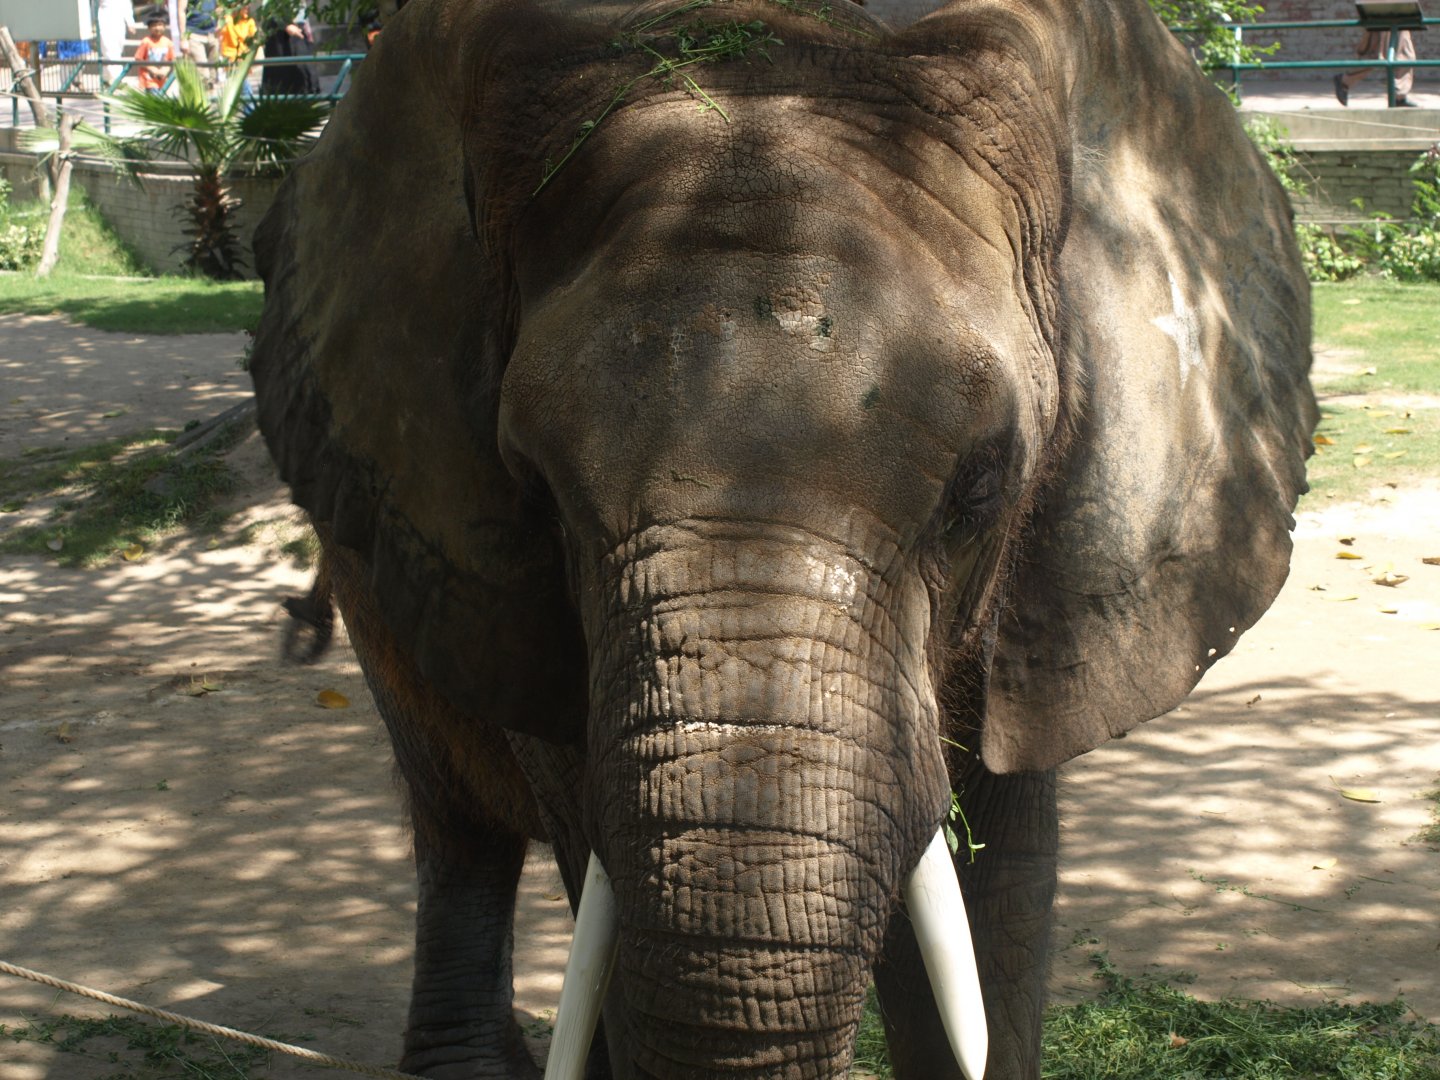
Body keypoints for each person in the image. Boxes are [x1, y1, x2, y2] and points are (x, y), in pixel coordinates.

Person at [1334, 28, 1419, 107]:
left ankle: (1399, 97)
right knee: (1400, 55)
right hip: (1388, 20)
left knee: (1377, 55)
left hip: (1395, 20)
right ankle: (1398, 97)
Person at [259, 4, 319, 96]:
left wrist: (307, 31)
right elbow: (270, 14)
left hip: (297, 32)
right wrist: (285, 26)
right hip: (281, 38)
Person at [95, 0, 139, 88]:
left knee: (118, 50)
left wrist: (130, 22)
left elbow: (126, 4)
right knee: (109, 49)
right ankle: (117, 79)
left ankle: (107, 78)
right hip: (105, 18)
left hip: (119, 20)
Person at [180, 0, 222, 87]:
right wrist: (183, 39)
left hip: (212, 34)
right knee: (203, 75)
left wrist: (219, 23)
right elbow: (181, 11)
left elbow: (220, 6)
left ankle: (211, 94)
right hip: (194, 34)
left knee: (214, 75)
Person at [133, 16, 177, 96]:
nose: (157, 28)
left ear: (164, 27)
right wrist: (152, 69)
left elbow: (172, 59)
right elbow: (138, 59)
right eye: (154, 25)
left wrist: (166, 70)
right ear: (149, 28)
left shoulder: (168, 42)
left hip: (163, 80)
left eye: (160, 25)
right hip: (149, 80)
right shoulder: (146, 42)